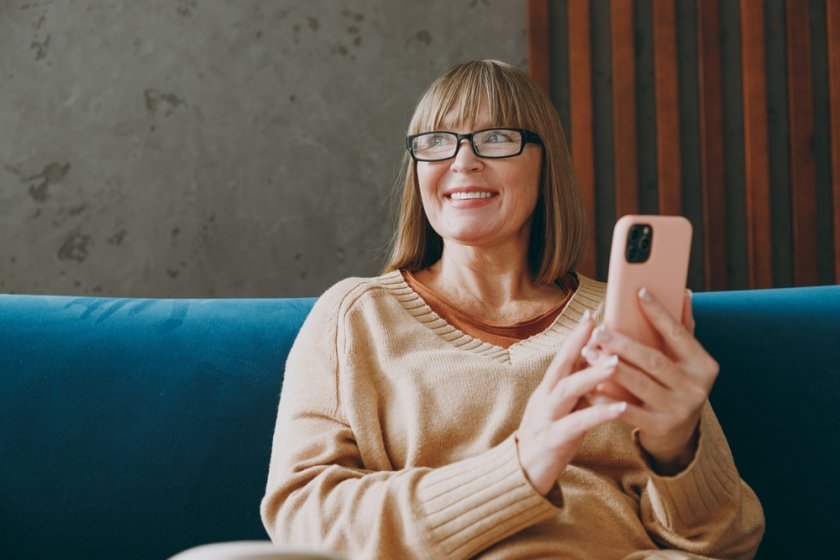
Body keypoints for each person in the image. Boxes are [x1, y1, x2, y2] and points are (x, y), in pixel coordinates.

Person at [260, 59, 764, 559]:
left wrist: (678, 448)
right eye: (436, 141)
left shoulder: (625, 317)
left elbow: (725, 543)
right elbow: (304, 522)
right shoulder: (354, 318)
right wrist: (521, 468)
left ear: (546, 164)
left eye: (496, 138)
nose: (462, 162)